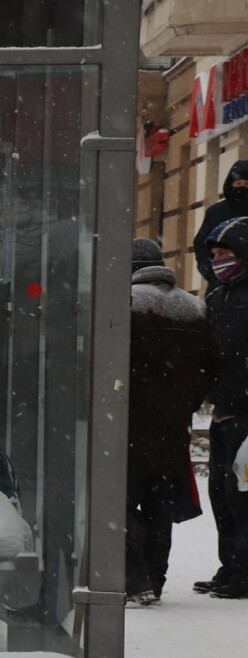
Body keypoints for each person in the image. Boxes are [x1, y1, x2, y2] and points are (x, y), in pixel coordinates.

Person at [125, 238, 220, 604]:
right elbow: (213, 366)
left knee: (118, 506)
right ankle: (155, 578)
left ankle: (134, 581)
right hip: (171, 431)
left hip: (125, 427)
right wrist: (184, 404)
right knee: (158, 508)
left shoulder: (126, 305)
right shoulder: (194, 308)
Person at [199, 217, 248, 599]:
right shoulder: (217, 296)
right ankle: (230, 565)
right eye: (213, 255)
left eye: (224, 254)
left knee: (241, 494)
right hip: (222, 410)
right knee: (220, 491)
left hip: (245, 413)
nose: (217, 261)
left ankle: (243, 571)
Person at [193, 160, 248, 291]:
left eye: (246, 184)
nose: (242, 187)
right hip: (219, 284)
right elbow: (201, 245)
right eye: (238, 183)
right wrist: (211, 273)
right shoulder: (216, 212)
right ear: (231, 184)